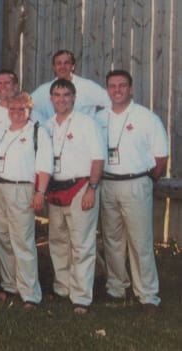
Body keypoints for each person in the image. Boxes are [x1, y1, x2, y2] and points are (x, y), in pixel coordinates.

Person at [95, 69, 168, 312]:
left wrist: (146, 180)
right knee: (112, 239)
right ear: (107, 90)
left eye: (122, 85)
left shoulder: (146, 118)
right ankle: (116, 288)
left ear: (131, 89)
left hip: (136, 183)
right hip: (107, 183)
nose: (117, 90)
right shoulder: (99, 118)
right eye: (112, 86)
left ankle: (147, 294)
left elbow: (161, 158)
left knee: (140, 241)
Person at [44, 79, 104, 314]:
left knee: (82, 243)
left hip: (81, 187)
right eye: (57, 95)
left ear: (74, 98)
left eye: (66, 95)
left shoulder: (86, 123)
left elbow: (98, 158)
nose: (61, 99)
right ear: (51, 99)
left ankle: (81, 297)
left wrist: (92, 188)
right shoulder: (47, 125)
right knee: (58, 241)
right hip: (56, 189)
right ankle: (62, 288)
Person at [0, 92, 52, 309]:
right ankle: (10, 284)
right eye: (12, 108)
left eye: (21, 109)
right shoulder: (0, 132)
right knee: (1, 236)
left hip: (21, 188)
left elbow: (44, 166)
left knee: (22, 241)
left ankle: (30, 293)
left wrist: (40, 193)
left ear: (29, 110)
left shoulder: (37, 132)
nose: (16, 113)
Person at [31, 50, 110, 120]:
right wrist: (43, 124)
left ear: (73, 66)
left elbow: (110, 102)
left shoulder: (87, 86)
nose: (62, 66)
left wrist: (97, 122)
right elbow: (26, 106)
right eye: (59, 63)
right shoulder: (43, 90)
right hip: (54, 134)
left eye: (66, 63)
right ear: (54, 67)